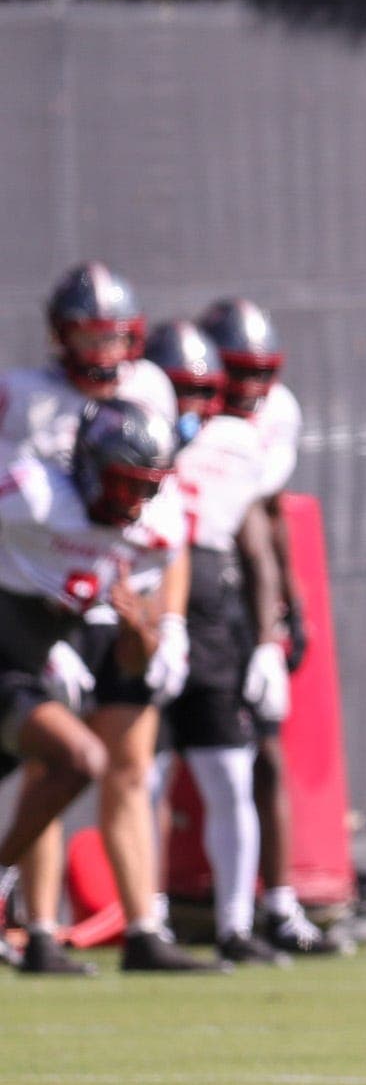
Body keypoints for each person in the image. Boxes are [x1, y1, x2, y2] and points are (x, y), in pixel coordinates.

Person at [0, 266, 217, 976]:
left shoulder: (149, 403)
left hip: (112, 594)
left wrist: (166, 626)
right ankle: (38, 928)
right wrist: (41, 626)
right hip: (36, 602)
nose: (101, 351)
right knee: (54, 762)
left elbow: (169, 527)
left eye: (112, 336)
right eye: (87, 335)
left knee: (127, 767)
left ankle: (143, 925)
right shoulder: (29, 462)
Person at [0, 403, 184, 954]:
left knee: (80, 761)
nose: (133, 501)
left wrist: (138, 629)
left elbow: (133, 664)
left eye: (145, 488)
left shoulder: (148, 536)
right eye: (123, 483)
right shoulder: (31, 497)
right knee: (78, 757)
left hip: (22, 665)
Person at [198, 297, 345, 956]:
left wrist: (290, 606)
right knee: (152, 766)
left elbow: (269, 512)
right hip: (185, 594)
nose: (253, 389)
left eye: (263, 373)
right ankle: (157, 917)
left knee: (265, 755)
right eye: (241, 373)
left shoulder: (273, 416)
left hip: (242, 606)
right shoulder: (184, 414)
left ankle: (279, 907)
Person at [157, 318, 293, 967]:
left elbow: (256, 542)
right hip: (143, 603)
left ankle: (237, 925)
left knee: (232, 776)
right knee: (142, 777)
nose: (190, 404)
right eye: (178, 389)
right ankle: (147, 921)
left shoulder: (236, 442)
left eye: (199, 390)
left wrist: (267, 641)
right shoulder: (118, 427)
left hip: (212, 617)